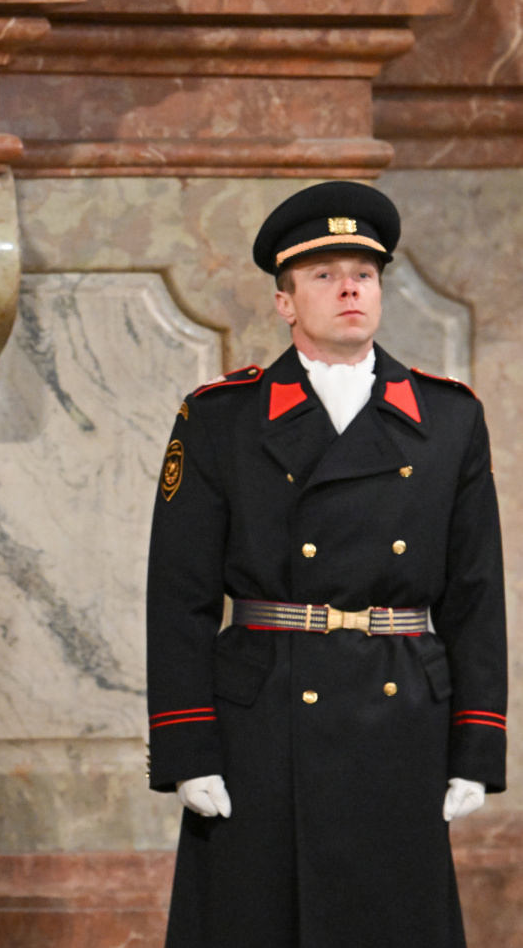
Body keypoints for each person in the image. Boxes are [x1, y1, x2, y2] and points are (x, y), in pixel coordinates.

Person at [145, 181, 507, 948]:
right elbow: (177, 595)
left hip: (401, 714)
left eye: (364, 273)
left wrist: (477, 741)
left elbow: (477, 594)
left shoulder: (449, 418)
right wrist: (187, 744)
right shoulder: (219, 417)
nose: (350, 286)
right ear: (284, 302)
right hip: (263, 718)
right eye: (323, 274)